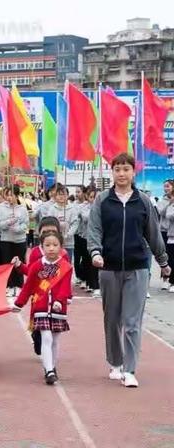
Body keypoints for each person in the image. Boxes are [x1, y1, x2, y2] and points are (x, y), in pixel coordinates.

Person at [88, 153, 170, 388]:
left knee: (132, 321)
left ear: (133, 172)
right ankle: (115, 363)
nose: (122, 174)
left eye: (126, 169)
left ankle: (130, 369)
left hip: (137, 268)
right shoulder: (102, 200)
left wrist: (163, 261)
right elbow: (94, 229)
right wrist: (95, 252)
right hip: (108, 268)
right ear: (112, 173)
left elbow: (153, 233)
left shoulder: (143, 201)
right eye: (118, 169)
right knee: (112, 319)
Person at [13, 231, 72, 385]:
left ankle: (52, 365)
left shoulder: (66, 266)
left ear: (61, 247)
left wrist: (60, 300)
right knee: (46, 337)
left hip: (58, 309)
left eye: (55, 245)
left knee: (55, 340)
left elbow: (65, 287)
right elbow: (28, 286)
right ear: (41, 247)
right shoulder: (37, 265)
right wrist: (19, 303)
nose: (51, 248)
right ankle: (49, 370)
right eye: (47, 245)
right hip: (41, 306)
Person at [0, 185, 28, 296]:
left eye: (12, 195)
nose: (9, 198)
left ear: (17, 195)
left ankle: (19, 285)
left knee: (19, 264)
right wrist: (8, 222)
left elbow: (25, 224)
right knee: (7, 263)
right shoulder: (1, 208)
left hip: (19, 240)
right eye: (7, 195)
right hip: (6, 240)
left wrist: (18, 229)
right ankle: (9, 285)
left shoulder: (22, 209)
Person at [47, 185, 79, 262]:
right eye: (59, 194)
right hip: (54, 243)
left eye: (63, 194)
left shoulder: (72, 209)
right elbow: (48, 223)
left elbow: (75, 224)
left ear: (67, 196)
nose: (61, 197)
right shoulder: (52, 209)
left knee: (67, 265)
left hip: (68, 243)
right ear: (56, 196)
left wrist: (68, 235)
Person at [78, 186, 100, 296]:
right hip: (86, 238)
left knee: (96, 262)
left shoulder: (103, 207)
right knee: (87, 262)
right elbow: (85, 218)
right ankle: (89, 282)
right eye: (91, 197)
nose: (93, 199)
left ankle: (96, 285)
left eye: (95, 197)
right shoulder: (84, 207)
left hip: (99, 239)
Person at [156, 179, 174, 290]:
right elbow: (161, 212)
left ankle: (171, 278)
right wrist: (170, 203)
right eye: (165, 186)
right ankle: (165, 278)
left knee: (172, 256)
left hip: (172, 232)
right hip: (164, 231)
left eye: (168, 186)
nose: (166, 188)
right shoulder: (163, 200)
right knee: (165, 256)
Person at [73, 185, 87, 288]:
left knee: (85, 257)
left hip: (85, 235)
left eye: (79, 192)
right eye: (76, 192)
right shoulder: (73, 204)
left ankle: (84, 277)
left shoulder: (87, 205)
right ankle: (78, 276)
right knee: (76, 257)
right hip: (76, 234)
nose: (77, 194)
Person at [163, 193, 174, 293]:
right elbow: (168, 216)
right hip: (172, 237)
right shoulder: (171, 205)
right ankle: (170, 281)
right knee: (171, 260)